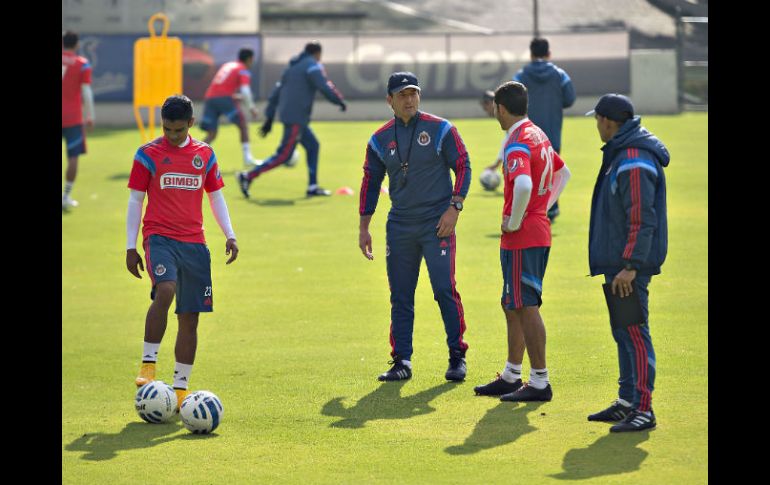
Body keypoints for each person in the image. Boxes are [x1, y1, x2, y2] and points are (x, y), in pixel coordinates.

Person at [126, 94, 239, 408]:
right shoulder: (147, 154)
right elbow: (136, 200)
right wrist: (130, 246)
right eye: (166, 130)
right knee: (165, 290)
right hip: (159, 237)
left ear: (190, 123)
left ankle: (179, 391)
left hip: (195, 243)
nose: (172, 136)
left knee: (190, 318)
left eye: (177, 130)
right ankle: (148, 364)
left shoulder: (205, 154)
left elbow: (216, 197)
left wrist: (229, 234)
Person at [358, 71, 471, 382]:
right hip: (400, 226)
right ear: (389, 100)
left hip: (438, 224)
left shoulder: (441, 129)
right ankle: (402, 361)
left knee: (444, 289)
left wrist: (455, 207)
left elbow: (463, 165)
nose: (409, 100)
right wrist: (364, 227)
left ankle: (457, 355)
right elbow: (370, 182)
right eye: (402, 95)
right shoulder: (379, 139)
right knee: (401, 295)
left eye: (413, 93)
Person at [473, 81, 571, 402]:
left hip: (522, 237)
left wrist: (515, 220)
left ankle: (540, 381)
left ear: (501, 108)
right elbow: (563, 173)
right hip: (538, 230)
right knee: (512, 303)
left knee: (526, 304)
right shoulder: (538, 133)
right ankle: (512, 374)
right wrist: (543, 208)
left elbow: (525, 185)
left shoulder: (515, 142)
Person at [585, 94, 669, 432]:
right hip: (620, 263)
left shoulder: (633, 159)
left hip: (628, 267)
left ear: (608, 121)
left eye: (597, 120)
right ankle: (626, 401)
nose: (596, 126)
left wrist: (631, 265)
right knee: (623, 330)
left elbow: (642, 218)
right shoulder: (623, 152)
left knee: (634, 332)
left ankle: (643, 409)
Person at [237, 41, 346, 198]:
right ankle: (247, 176)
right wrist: (339, 100)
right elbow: (323, 85)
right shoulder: (312, 65)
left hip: (293, 116)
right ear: (317, 54)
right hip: (297, 117)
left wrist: (269, 117)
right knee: (284, 155)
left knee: (313, 146)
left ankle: (312, 187)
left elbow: (276, 93)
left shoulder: (291, 68)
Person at [511, 37, 575, 222]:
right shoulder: (560, 75)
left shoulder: (521, 76)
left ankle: (527, 211)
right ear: (549, 54)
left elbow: (513, 100)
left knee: (528, 174)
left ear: (530, 54)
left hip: (527, 134)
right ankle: (551, 210)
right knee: (551, 172)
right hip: (552, 132)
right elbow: (569, 98)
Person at [200, 47, 260, 167]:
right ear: (249, 59)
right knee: (243, 126)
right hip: (224, 99)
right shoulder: (242, 69)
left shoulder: (228, 65)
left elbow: (221, 86)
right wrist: (252, 108)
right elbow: (245, 91)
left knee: (212, 133)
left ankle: (192, 157)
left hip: (211, 98)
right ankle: (247, 158)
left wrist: (233, 96)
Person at [62, 30, 95, 211]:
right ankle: (66, 196)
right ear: (76, 45)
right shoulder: (82, 64)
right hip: (73, 118)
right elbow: (86, 92)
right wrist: (90, 116)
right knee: (72, 157)